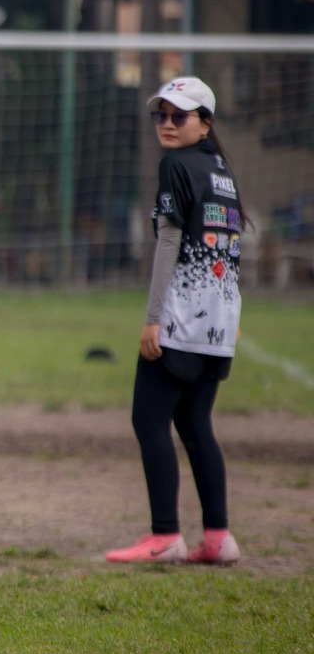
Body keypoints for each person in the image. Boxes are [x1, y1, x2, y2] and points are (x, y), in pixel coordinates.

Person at [106, 77, 243, 566]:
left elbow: (169, 244)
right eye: (160, 115)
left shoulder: (176, 165)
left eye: (178, 115)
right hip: (221, 320)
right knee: (194, 422)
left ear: (205, 123)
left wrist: (153, 319)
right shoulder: (221, 170)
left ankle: (164, 535)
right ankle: (218, 537)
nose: (166, 124)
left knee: (149, 419)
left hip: (182, 316)